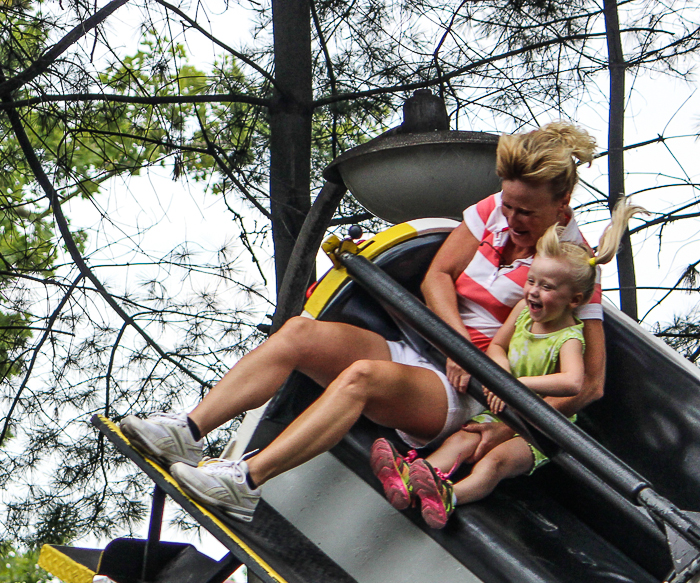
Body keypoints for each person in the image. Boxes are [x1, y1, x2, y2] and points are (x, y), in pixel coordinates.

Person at [119, 122, 607, 524]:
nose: (513, 218)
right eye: (508, 204)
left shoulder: (571, 266)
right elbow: (439, 274)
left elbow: (590, 387)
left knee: (361, 379)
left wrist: (501, 399)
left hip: (460, 393)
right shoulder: (493, 212)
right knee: (298, 334)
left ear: (561, 205)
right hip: (433, 347)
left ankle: (244, 483)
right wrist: (461, 344)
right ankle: (187, 430)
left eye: (527, 212)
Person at [370, 199, 640, 529]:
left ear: (575, 300)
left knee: (495, 461)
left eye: (547, 287)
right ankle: (410, 479)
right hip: (503, 405)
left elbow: (573, 383)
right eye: (532, 281)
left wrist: (515, 387)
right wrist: (501, 375)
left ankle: (451, 495)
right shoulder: (524, 313)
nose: (534, 292)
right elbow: (498, 345)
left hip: (540, 428)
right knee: (463, 439)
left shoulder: (570, 337)